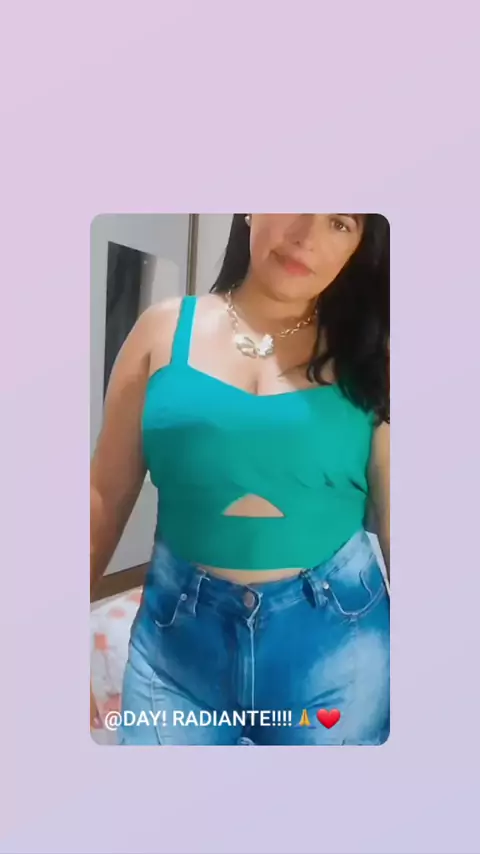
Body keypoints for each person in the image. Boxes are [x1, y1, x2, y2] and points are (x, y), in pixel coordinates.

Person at [90, 213, 390, 745]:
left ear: (358, 246)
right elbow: (103, 495)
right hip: (175, 652)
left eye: (340, 223)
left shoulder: (373, 356)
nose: (306, 235)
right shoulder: (161, 331)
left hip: (338, 646)